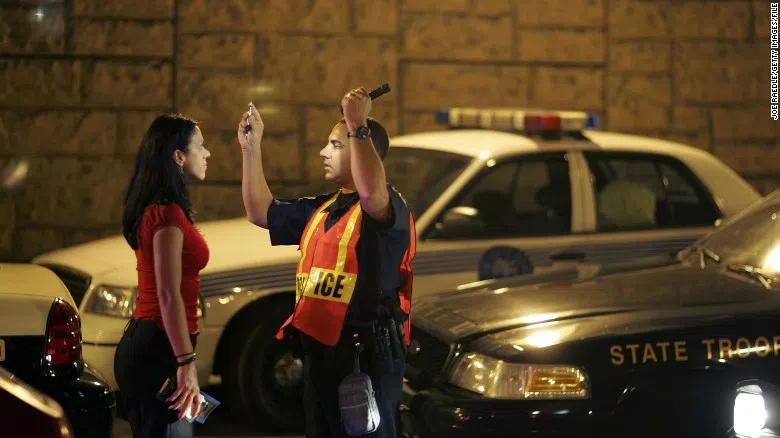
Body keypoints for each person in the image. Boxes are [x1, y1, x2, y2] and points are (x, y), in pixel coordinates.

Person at [238, 88, 416, 438]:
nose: (324, 152)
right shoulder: (324, 208)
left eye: (335, 145)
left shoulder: (385, 207)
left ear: (365, 150)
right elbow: (260, 211)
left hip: (365, 357)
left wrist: (357, 123)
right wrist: (251, 148)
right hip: (322, 355)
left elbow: (372, 193)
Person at [114, 113, 211, 438]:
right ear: (179, 157)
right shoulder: (165, 214)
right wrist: (185, 362)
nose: (207, 153)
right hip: (158, 349)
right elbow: (167, 294)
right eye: (200, 146)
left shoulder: (168, 209)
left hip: (159, 345)